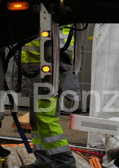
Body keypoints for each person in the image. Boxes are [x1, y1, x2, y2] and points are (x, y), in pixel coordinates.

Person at [18, 28, 78, 168]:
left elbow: (65, 52)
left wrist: (56, 75)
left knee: (45, 118)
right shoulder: (41, 18)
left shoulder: (56, 21)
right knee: (37, 120)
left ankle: (64, 162)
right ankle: (44, 159)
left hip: (48, 73)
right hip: (37, 71)